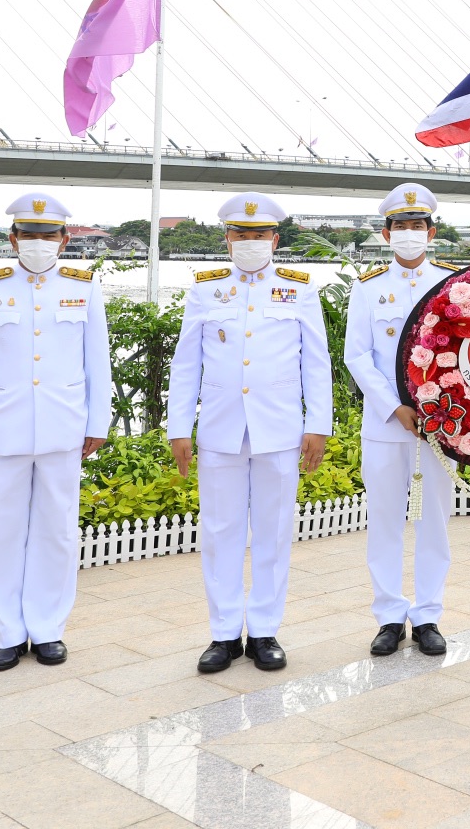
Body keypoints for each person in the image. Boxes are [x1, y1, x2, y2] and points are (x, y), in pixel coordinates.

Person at [168, 192, 332, 673]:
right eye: (241, 235)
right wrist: (181, 427)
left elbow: (315, 364)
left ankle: (264, 630)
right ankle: (223, 634)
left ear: (275, 240)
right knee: (220, 532)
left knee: (274, 531)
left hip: (279, 429)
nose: (250, 242)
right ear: (227, 240)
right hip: (220, 429)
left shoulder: (299, 288)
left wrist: (317, 425)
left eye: (259, 235)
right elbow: (185, 364)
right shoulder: (204, 289)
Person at [0, 192, 112, 671]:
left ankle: (47, 630)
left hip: (64, 428)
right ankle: (6, 633)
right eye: (29, 235)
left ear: (64, 240)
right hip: (1, 429)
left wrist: (97, 422)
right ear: (12, 239)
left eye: (48, 235)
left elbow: (97, 362)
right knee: (1, 533)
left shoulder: (83, 287)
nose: (38, 243)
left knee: (57, 532)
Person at [344, 183, 460, 656]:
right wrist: (394, 405)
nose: (409, 234)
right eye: (400, 227)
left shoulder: (455, 286)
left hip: (440, 425)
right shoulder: (369, 289)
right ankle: (389, 615)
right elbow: (357, 356)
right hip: (386, 423)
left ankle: (428, 614)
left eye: (417, 226)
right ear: (386, 232)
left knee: (435, 518)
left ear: (431, 232)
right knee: (385, 520)